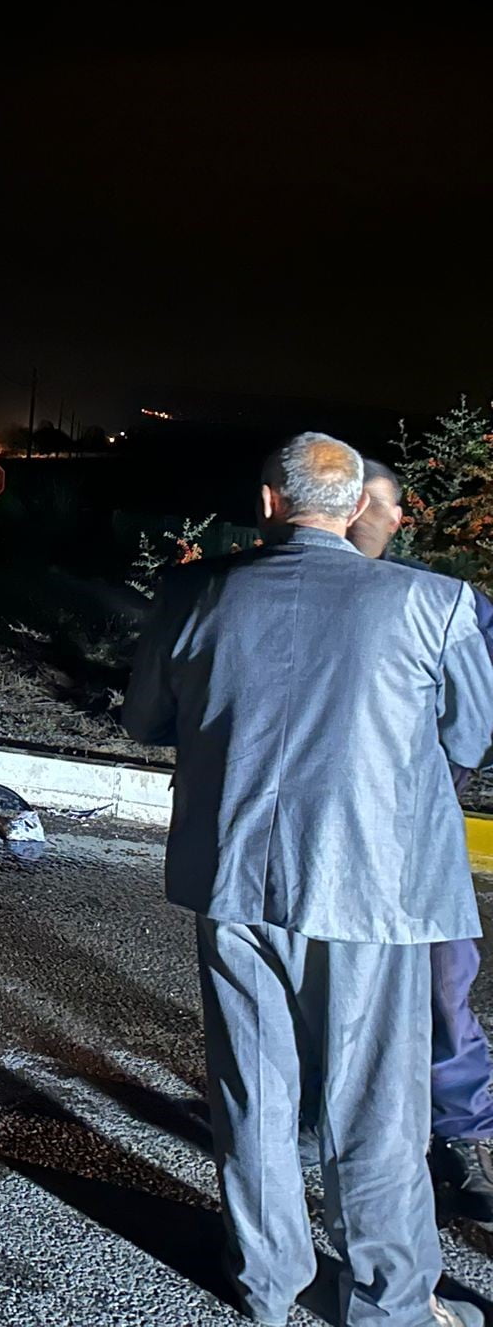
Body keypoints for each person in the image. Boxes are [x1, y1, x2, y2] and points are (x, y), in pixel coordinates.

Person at [123, 432, 493, 1327]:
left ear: (267, 504)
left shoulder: (191, 593)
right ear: (360, 505)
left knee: (252, 1085)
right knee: (375, 1106)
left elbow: (145, 722)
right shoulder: (435, 604)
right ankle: (389, 1303)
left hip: (235, 874)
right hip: (379, 889)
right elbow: (471, 740)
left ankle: (267, 1280)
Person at [350, 457, 493, 1226]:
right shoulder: (296, 592)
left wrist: (427, 798)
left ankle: (459, 1136)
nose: (359, 516)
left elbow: (472, 723)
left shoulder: (442, 603)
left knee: (441, 982)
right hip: (326, 838)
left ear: (400, 518)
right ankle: (321, 1119)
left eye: (375, 505)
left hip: (411, 838)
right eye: (350, 502)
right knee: (321, 983)